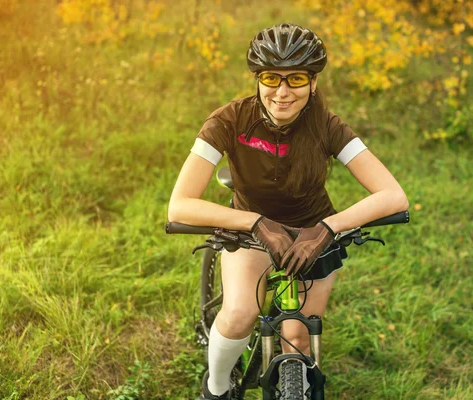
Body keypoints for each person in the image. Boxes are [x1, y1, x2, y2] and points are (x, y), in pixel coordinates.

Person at [168, 22, 409, 400]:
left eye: (295, 79)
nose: (282, 92)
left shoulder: (327, 126)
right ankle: (216, 388)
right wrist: (257, 224)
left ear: (313, 83)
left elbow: (393, 195)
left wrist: (327, 229)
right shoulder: (228, 120)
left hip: (312, 233)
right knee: (239, 315)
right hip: (251, 230)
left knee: (299, 333)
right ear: (257, 79)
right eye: (271, 78)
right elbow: (181, 204)